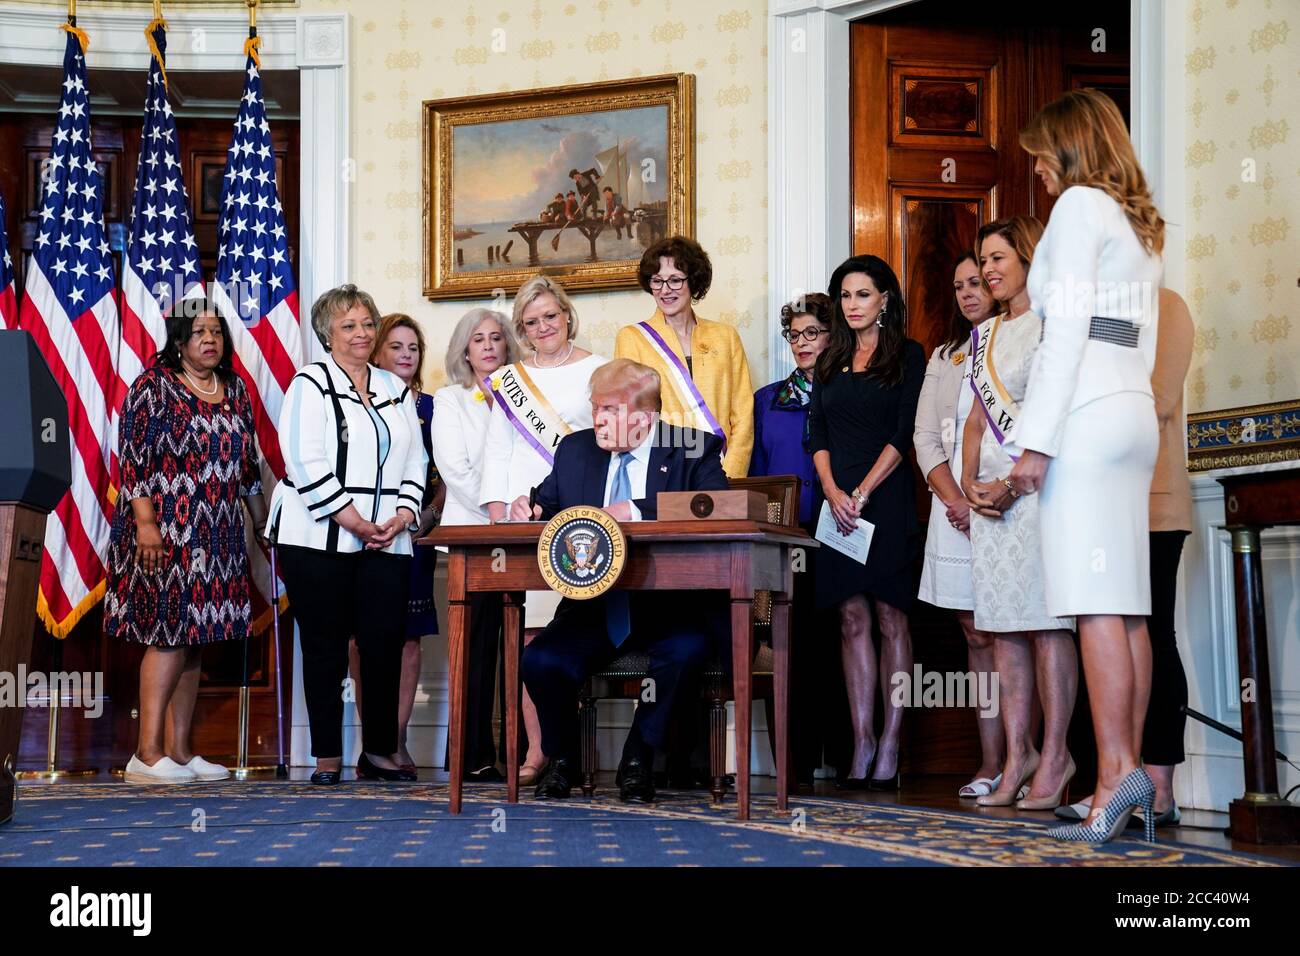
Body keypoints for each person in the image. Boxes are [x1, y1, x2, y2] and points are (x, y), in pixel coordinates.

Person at [1006, 89, 1166, 842]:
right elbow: (1135, 335)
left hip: (1087, 419)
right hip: (1131, 412)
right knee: (1127, 604)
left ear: (1067, 148)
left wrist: (1034, 444)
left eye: (1041, 152)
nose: (1036, 168)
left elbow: (1066, 332)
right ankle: (1127, 774)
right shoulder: (1140, 222)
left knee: (1094, 603)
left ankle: (1109, 780)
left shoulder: (1077, 207)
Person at [514, 359, 729, 804]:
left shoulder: (691, 446)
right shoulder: (576, 449)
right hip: (593, 607)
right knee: (539, 660)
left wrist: (637, 508)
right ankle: (564, 759)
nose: (598, 420)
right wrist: (529, 507)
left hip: (668, 607)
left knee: (687, 651)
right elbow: (548, 504)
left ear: (646, 418)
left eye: (610, 410)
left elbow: (716, 505)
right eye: (596, 408)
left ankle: (638, 757)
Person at [269, 285, 428, 785]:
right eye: (348, 326)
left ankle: (379, 753)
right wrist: (353, 520)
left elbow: (416, 460)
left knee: (382, 645)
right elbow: (303, 459)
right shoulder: (309, 383)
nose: (361, 333)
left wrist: (402, 516)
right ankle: (326, 758)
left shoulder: (395, 388)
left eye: (366, 323)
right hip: (316, 537)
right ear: (327, 335)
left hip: (389, 537)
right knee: (324, 647)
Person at [107, 297, 266, 784]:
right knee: (169, 633)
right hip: (164, 531)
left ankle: (179, 751)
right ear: (178, 340)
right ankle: (146, 753)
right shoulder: (152, 389)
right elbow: (132, 462)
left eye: (216, 331)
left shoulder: (235, 389)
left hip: (218, 533)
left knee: (196, 640)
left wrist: (261, 523)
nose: (210, 340)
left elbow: (247, 469)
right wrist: (146, 525)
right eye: (198, 332)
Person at [1057, 288, 1195, 829]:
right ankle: (1109, 783)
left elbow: (1155, 400)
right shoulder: (1087, 310)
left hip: (1152, 503)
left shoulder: (1168, 307)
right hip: (1093, 500)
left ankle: (1158, 789)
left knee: (1155, 632)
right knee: (1095, 634)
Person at [960, 217, 1077, 810]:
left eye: (1000, 256)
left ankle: (1056, 755)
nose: (988, 269)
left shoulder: (1052, 326)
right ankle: (1017, 754)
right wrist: (967, 485)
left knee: (1046, 623)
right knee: (1004, 627)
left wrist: (1010, 481)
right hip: (989, 500)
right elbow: (977, 420)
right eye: (984, 258)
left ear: (1029, 258)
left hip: (1040, 492)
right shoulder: (982, 336)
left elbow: (1062, 411)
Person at [479, 274, 608, 784]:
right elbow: (497, 449)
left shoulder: (598, 368)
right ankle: (540, 750)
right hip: (523, 517)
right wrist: (496, 512)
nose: (542, 328)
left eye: (550, 317)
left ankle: (570, 751)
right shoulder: (510, 378)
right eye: (530, 323)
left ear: (567, 315)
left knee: (573, 627)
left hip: (580, 516)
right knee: (530, 634)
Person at [809, 254, 925, 790]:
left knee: (890, 619)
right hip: (836, 506)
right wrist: (833, 492)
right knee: (850, 620)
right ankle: (862, 741)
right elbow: (818, 435)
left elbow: (905, 434)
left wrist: (862, 491)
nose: (852, 304)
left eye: (862, 294)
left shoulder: (908, 354)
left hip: (885, 499)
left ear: (884, 300)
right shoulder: (829, 359)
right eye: (845, 295)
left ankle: (894, 741)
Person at [914, 253, 1005, 799]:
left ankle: (1029, 758)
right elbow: (926, 437)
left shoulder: (1023, 339)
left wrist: (979, 501)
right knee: (975, 633)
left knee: (1014, 633)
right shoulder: (946, 355)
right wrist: (954, 501)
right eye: (958, 285)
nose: (968, 292)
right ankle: (990, 761)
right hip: (953, 508)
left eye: (976, 282)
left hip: (1004, 500)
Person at [750, 292, 851, 786]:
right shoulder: (767, 400)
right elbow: (755, 474)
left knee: (841, 643)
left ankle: (849, 756)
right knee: (789, 646)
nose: (802, 343)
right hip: (785, 537)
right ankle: (795, 763)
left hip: (841, 533)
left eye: (812, 333)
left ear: (833, 336)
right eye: (794, 335)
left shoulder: (849, 390)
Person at [343, 313, 442, 774]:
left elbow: (443, 474)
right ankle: (372, 743)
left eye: (413, 348)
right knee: (365, 640)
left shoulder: (431, 408)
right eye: (396, 347)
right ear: (377, 352)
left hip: (412, 534)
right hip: (358, 532)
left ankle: (396, 742)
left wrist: (424, 516)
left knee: (406, 640)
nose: (406, 356)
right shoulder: (357, 400)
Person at [431, 307, 520, 780]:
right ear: (465, 350)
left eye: (496, 338)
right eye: (477, 339)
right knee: (476, 648)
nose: (487, 346)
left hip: (526, 533)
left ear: (508, 345)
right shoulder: (450, 400)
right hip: (474, 534)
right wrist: (495, 511)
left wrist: (520, 511)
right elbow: (455, 468)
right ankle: (471, 755)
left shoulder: (527, 394)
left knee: (521, 643)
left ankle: (523, 755)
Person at [615, 235, 754, 477]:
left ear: (694, 282)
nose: (665, 290)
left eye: (675, 280)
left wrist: (730, 475)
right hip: (660, 470)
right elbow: (629, 414)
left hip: (719, 468)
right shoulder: (631, 338)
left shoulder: (726, 336)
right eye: (657, 281)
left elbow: (742, 415)